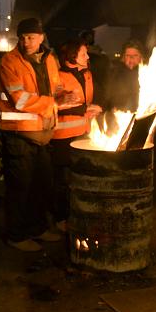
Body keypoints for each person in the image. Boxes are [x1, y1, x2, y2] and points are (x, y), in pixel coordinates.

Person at [0, 18, 63, 252]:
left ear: (41, 37)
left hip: (42, 136)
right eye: (23, 37)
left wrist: (64, 97)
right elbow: (20, 99)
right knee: (20, 189)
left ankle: (37, 228)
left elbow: (55, 88)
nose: (26, 42)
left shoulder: (50, 59)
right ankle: (16, 235)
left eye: (31, 37)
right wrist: (51, 103)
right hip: (19, 137)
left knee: (41, 186)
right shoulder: (9, 62)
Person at [50, 38, 101, 232]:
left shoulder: (86, 74)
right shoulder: (58, 77)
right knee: (62, 181)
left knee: (79, 178)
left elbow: (89, 99)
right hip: (62, 137)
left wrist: (94, 108)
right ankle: (60, 218)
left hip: (83, 134)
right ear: (72, 56)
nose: (87, 56)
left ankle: (77, 214)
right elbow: (55, 108)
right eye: (83, 54)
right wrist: (84, 109)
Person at [107, 40, 143, 112]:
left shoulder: (147, 73)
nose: (131, 58)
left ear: (141, 57)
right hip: (121, 115)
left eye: (135, 55)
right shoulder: (115, 72)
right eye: (128, 55)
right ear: (123, 57)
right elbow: (108, 96)